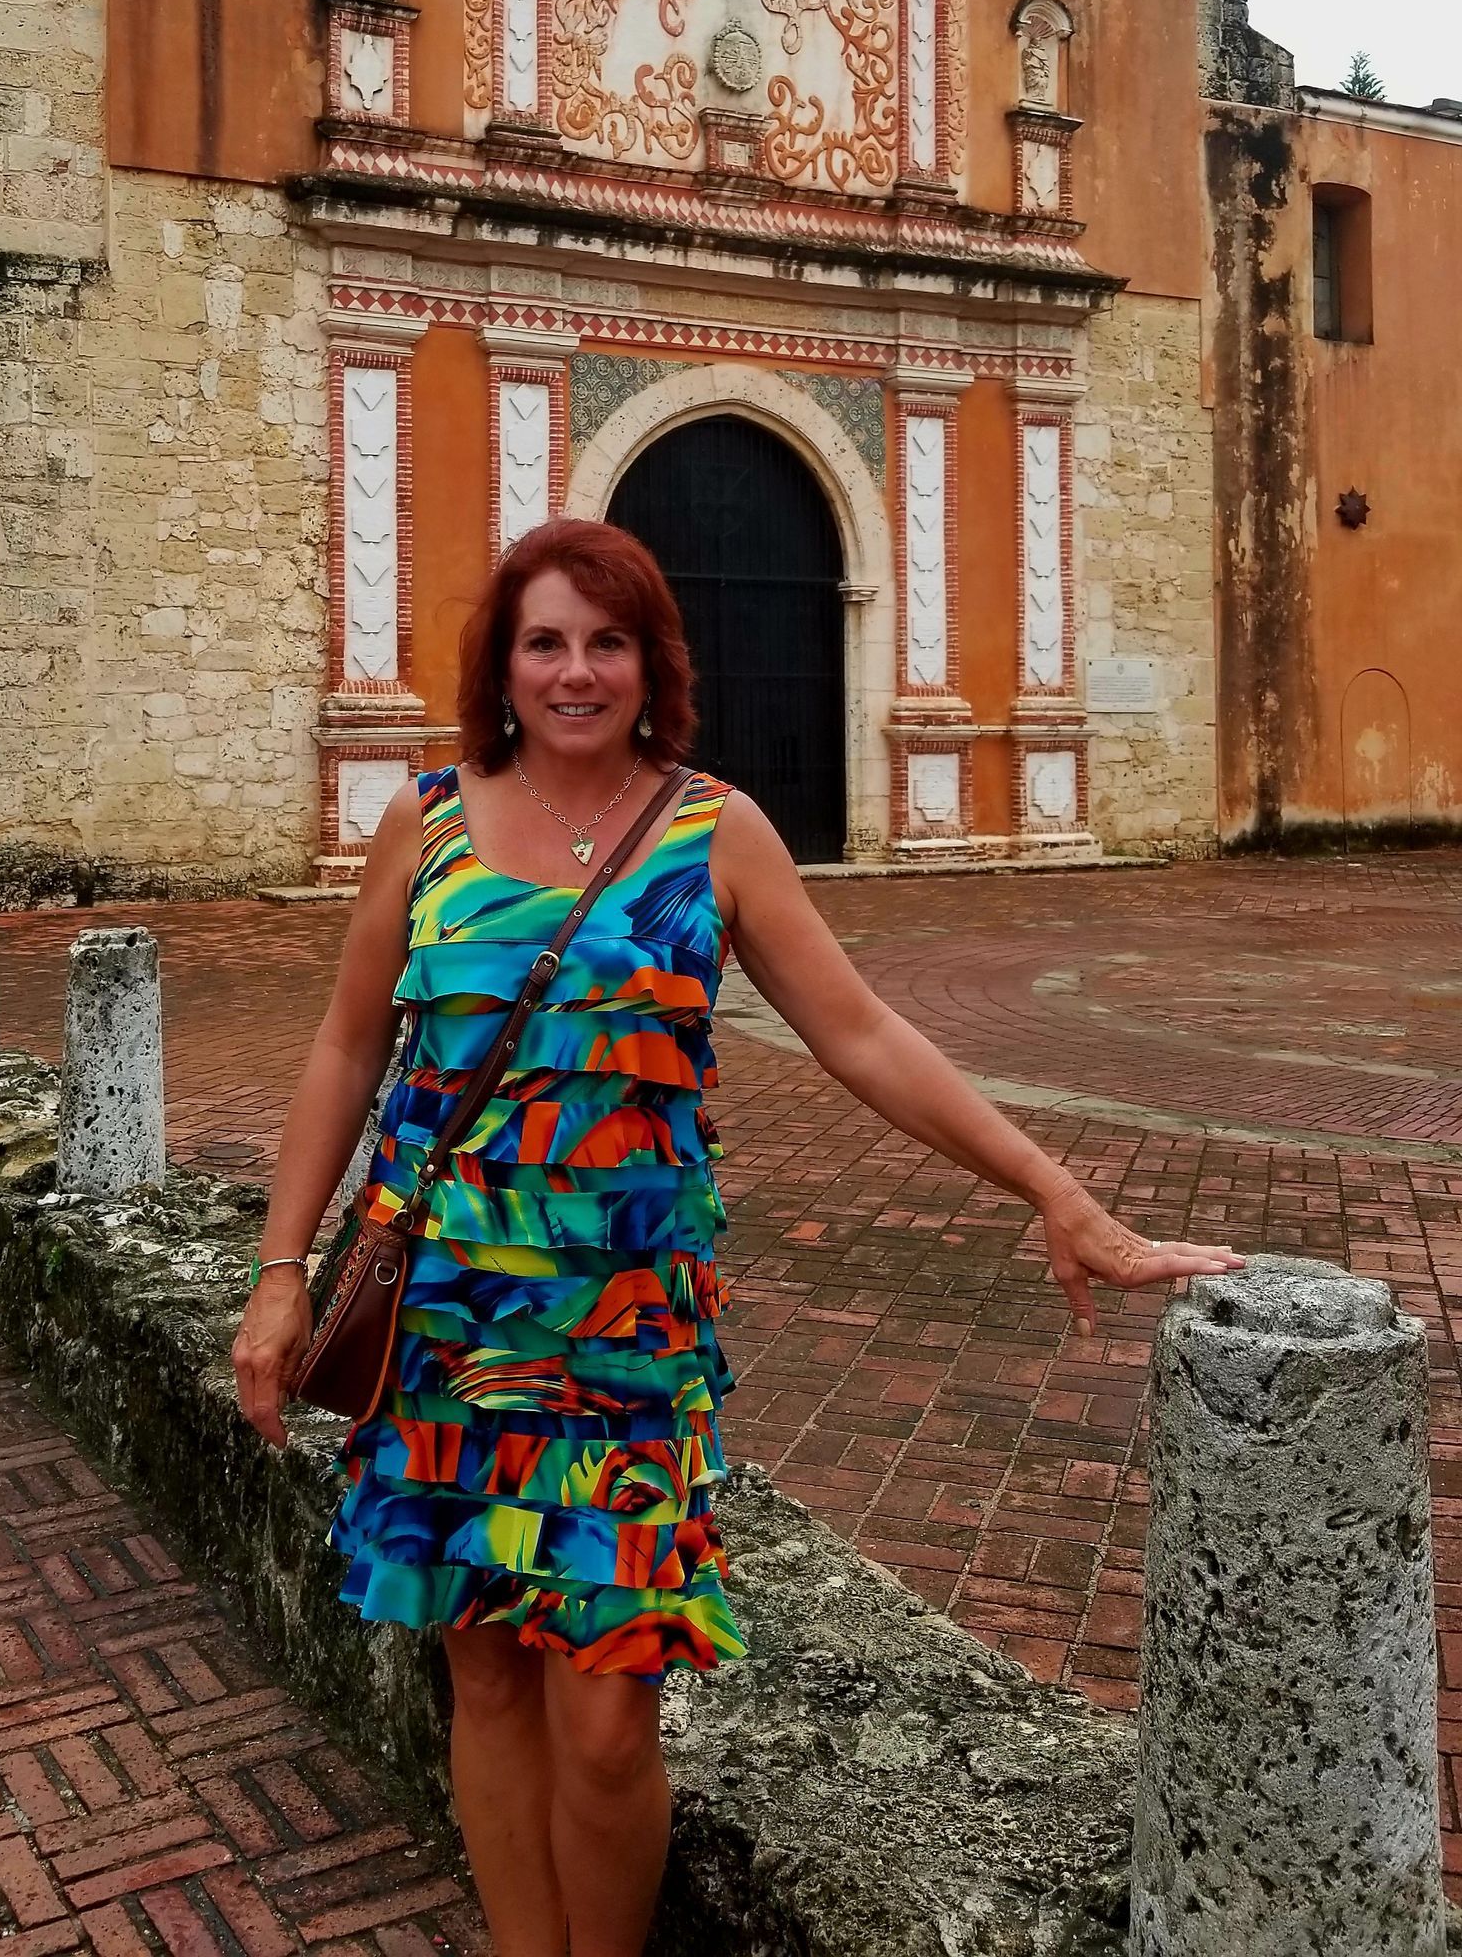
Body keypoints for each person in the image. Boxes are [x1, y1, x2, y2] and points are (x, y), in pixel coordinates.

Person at [234, 515, 1243, 1957]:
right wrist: (282, 1278)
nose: (575, 672)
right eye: (545, 643)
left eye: (607, 642)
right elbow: (345, 1053)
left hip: (628, 1338)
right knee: (491, 1680)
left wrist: (1050, 1190)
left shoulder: (713, 829)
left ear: (653, 664)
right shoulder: (430, 821)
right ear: (502, 667)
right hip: (448, 1324)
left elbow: (864, 1034)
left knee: (605, 1709)